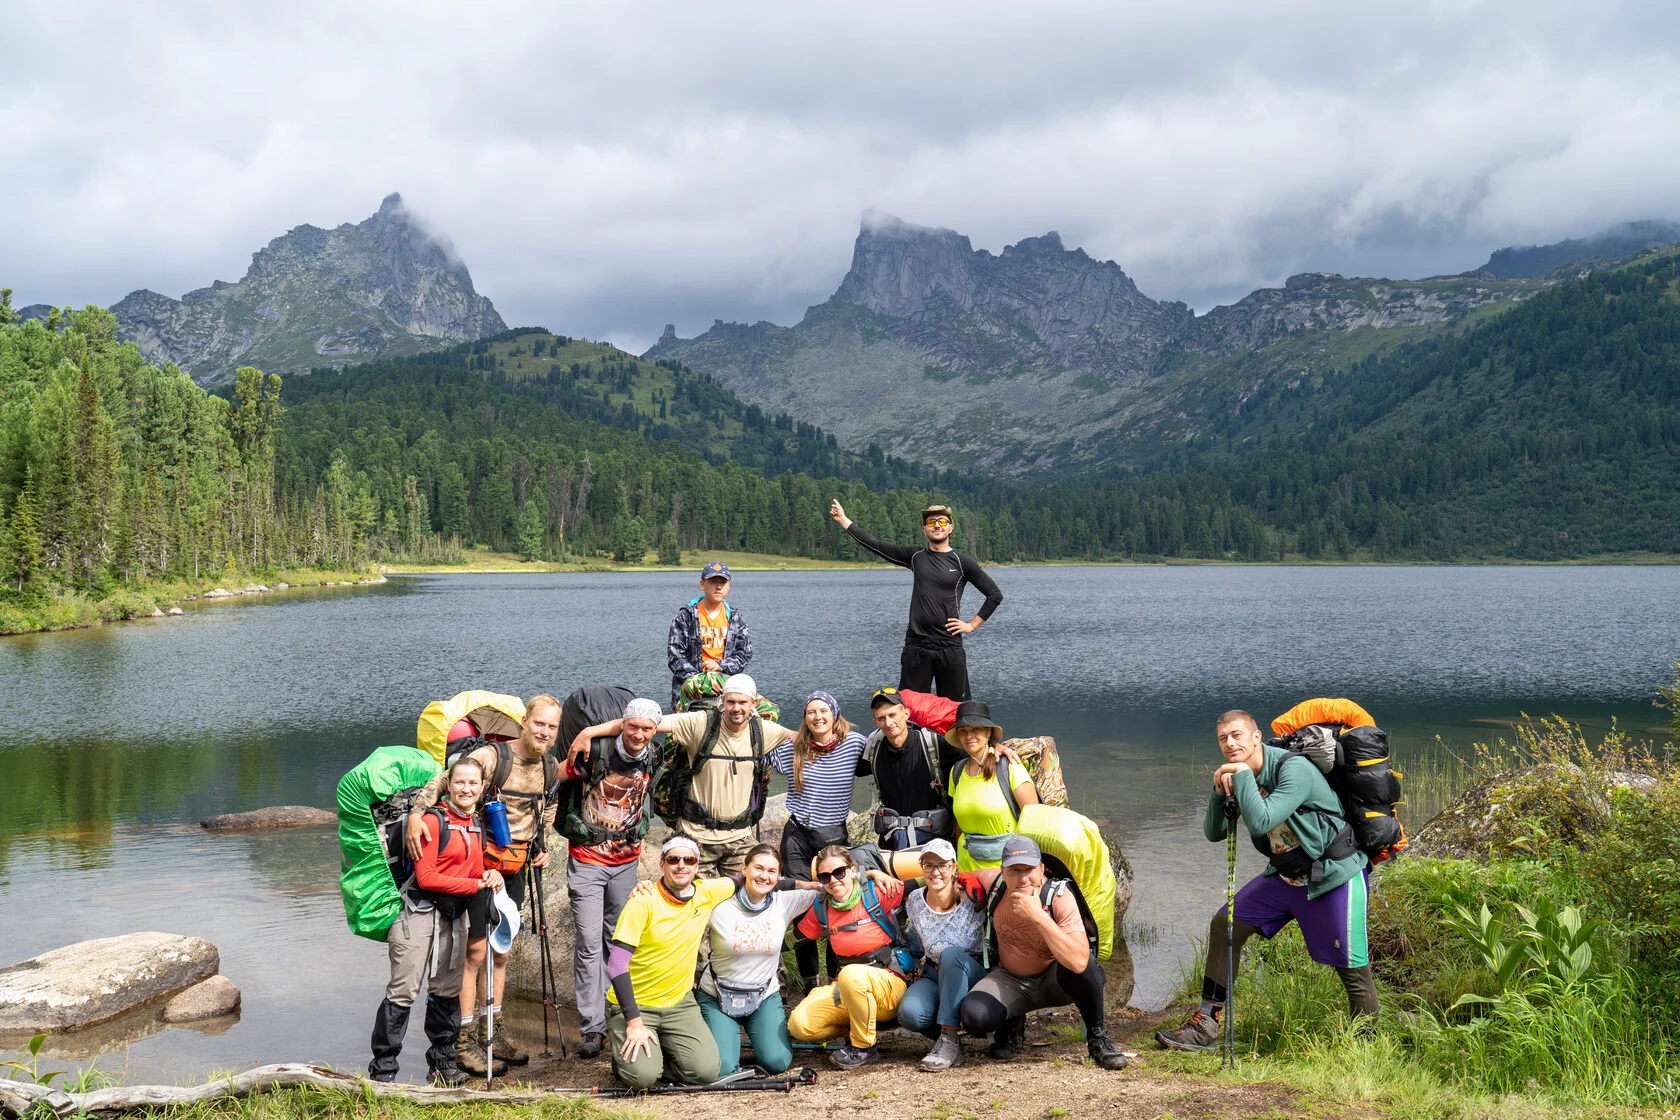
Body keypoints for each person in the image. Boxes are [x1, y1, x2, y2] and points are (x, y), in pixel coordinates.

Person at [1156, 710, 1377, 1052]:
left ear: (1256, 737)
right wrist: (1218, 792)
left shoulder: (1294, 770)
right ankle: (1206, 1025)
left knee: (1351, 966)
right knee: (1225, 925)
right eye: (1223, 738)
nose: (1230, 743)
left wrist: (1241, 776)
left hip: (1333, 876)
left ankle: (1367, 1047)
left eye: (1237, 735)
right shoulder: (1239, 774)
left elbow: (1261, 822)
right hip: (1285, 876)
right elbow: (1214, 833)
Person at [407, 694, 562, 1076]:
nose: (544, 731)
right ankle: (464, 1041)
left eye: (551, 727)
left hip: (515, 870)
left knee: (503, 953)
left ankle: (494, 1033)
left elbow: (549, 805)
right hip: (479, 870)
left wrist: (542, 845)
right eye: (539, 723)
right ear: (525, 721)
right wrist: (417, 813)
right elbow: (449, 777)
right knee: (475, 955)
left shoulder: (550, 766)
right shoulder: (496, 757)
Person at [573, 674, 793, 877]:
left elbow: (804, 739)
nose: (736, 708)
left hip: (740, 838)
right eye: (731, 702)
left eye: (742, 702)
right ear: (722, 701)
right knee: (695, 909)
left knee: (742, 906)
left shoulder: (763, 731)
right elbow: (645, 723)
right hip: (696, 836)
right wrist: (588, 732)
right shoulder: (700, 723)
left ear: (754, 703)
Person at [370, 756, 503, 1085]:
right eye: (460, 782)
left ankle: (442, 1065)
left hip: (454, 914)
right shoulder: (432, 822)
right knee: (403, 991)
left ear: (482, 786)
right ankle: (383, 1071)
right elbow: (427, 877)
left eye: (473, 783)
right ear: (449, 784)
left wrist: (489, 873)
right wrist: (476, 884)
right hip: (417, 911)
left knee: (446, 991)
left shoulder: (476, 823)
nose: (466, 789)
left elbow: (470, 869)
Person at [957, 835, 1128, 1070]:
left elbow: (1079, 961)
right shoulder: (995, 883)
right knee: (974, 1016)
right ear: (1003, 872)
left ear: (1041, 869)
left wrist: (1037, 915)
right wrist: (968, 880)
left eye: (1029, 869)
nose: (1023, 878)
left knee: (1085, 964)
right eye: (1015, 870)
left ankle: (1098, 1038)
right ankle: (1012, 1022)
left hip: (1055, 980)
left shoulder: (1058, 897)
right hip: (1011, 979)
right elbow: (973, 873)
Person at [559, 696, 666, 1060]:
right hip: (587, 861)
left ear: (655, 730)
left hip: (627, 862)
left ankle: (619, 1012)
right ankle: (592, 1028)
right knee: (589, 943)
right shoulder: (594, 752)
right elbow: (558, 775)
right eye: (632, 726)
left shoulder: (655, 754)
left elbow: (692, 720)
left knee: (618, 941)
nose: (638, 734)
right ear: (622, 725)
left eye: (646, 729)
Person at [829, 499, 1001, 700]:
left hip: (949, 647)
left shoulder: (963, 563)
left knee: (955, 709)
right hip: (916, 647)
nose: (937, 525)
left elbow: (994, 595)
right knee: (911, 709)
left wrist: (971, 625)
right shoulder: (915, 556)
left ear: (951, 528)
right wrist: (843, 520)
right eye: (931, 522)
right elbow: (876, 545)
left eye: (943, 521)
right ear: (924, 529)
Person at [603, 835, 732, 1088]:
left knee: (705, 1073)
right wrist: (634, 1021)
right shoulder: (643, 900)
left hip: (679, 1004)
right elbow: (616, 965)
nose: (681, 865)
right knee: (642, 1079)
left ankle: (655, 1055)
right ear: (662, 863)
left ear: (697, 866)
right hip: (636, 1007)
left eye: (689, 860)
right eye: (673, 859)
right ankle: (627, 1062)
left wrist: (816, 885)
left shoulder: (707, 892)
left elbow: (755, 879)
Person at [768, 690, 868, 991]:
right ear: (804, 718)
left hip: (833, 837)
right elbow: (755, 748)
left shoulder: (854, 744)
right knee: (801, 906)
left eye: (823, 710)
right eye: (811, 712)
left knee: (839, 902)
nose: (817, 716)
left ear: (835, 714)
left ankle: (836, 978)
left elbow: (887, 749)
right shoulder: (793, 747)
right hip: (797, 836)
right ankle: (810, 983)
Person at [696, 843, 819, 1077]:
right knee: (722, 1067)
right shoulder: (718, 903)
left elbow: (833, 887)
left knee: (777, 1062)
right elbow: (683, 891)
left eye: (772, 871)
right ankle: (722, 1039)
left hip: (763, 994)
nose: (764, 876)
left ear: (779, 876)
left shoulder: (784, 902)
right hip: (718, 994)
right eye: (758, 868)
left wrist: (870, 872)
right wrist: (647, 889)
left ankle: (761, 1036)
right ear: (744, 868)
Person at [787, 845, 910, 1070]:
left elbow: (924, 883)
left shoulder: (877, 891)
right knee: (799, 1025)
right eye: (825, 877)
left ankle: (864, 1047)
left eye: (839, 872)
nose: (833, 880)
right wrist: (759, 941)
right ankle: (858, 1027)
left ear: (854, 870)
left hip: (888, 984)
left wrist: (963, 881)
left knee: (851, 974)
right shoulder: (822, 907)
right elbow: (795, 939)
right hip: (846, 988)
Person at [895, 838, 986, 1071]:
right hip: (934, 971)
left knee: (951, 954)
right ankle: (952, 1040)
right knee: (910, 1014)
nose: (936, 872)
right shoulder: (915, 900)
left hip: (970, 971)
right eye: (929, 865)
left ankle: (948, 1038)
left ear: (954, 867)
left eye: (943, 865)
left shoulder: (972, 896)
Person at [857, 687, 964, 850]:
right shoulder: (874, 751)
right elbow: (850, 767)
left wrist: (995, 748)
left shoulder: (932, 744)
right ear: (875, 722)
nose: (888, 723)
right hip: (891, 841)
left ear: (906, 714)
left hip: (933, 841)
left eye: (892, 715)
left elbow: (972, 754)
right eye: (881, 718)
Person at [945, 701, 1038, 871]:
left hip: (1007, 869)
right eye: (963, 731)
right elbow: (959, 825)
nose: (969, 736)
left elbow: (1035, 820)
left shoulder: (1009, 766)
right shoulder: (956, 772)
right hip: (968, 869)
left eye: (976, 729)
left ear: (988, 732)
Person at [667, 560, 752, 710]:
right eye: (713, 581)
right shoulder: (685, 616)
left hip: (724, 689)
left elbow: (743, 655)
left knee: (765, 709)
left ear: (728, 586)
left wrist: (720, 665)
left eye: (723, 582)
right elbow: (675, 657)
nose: (718, 586)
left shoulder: (735, 619)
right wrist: (701, 680)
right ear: (702, 584)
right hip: (690, 689)